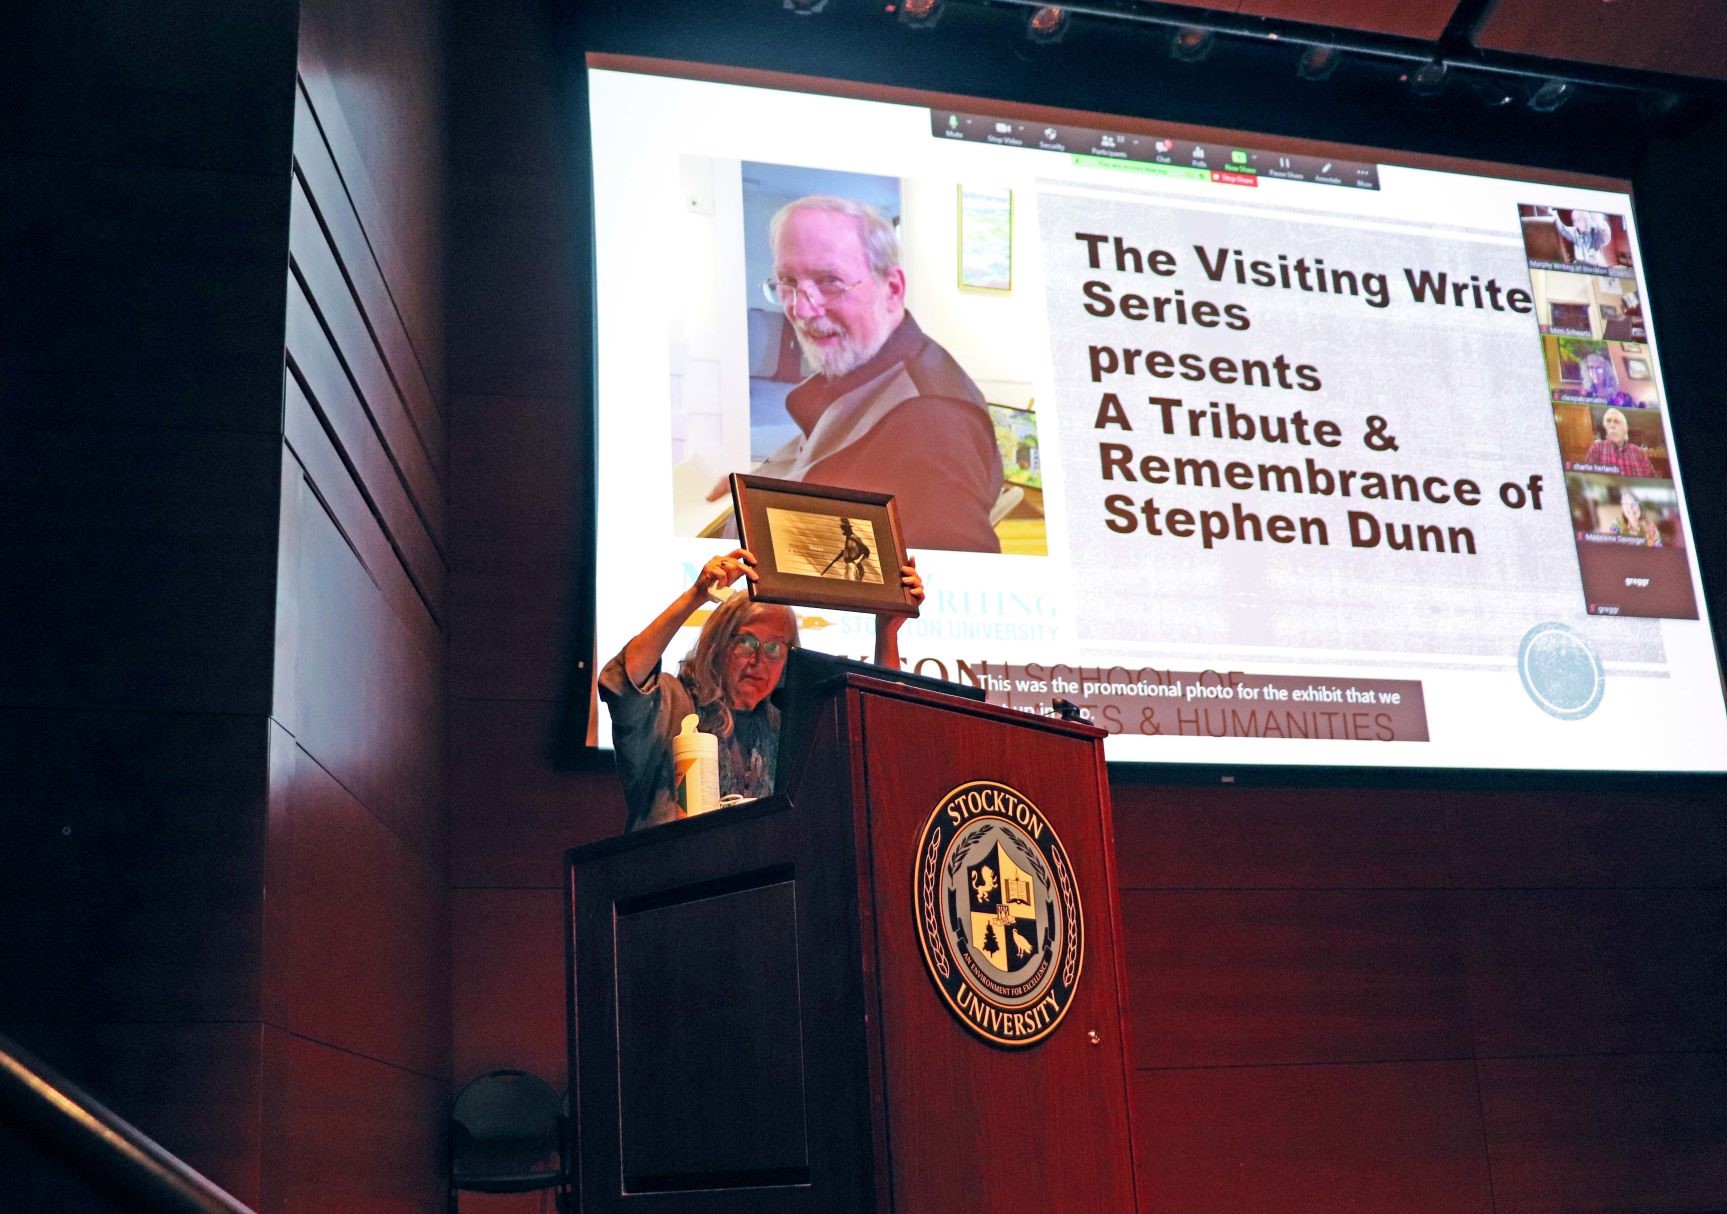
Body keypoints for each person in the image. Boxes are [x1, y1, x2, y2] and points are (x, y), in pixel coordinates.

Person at [740, 195, 1004, 553]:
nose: (801, 308)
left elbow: (947, 590)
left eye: (830, 280)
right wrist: (756, 492)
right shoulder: (861, 365)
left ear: (892, 290)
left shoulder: (934, 426)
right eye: (787, 281)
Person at [600, 548, 924, 832]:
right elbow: (624, 678)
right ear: (716, 646)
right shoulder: (674, 704)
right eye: (746, 642)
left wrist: (887, 630)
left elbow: (877, 724)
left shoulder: (786, 727)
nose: (759, 661)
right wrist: (697, 594)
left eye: (774, 649)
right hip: (672, 888)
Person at [1582, 408, 1655, 477]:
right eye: (1608, 421)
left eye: (1616, 421)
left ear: (1626, 428)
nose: (1612, 425)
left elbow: (1653, 479)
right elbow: (1587, 480)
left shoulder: (1639, 452)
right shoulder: (1596, 448)